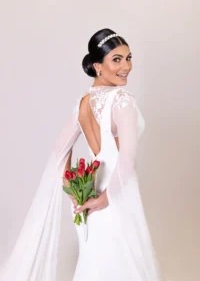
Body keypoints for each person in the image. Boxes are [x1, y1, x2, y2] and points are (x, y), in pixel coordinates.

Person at [0, 28, 166, 281]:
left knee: (96, 266)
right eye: (117, 59)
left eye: (129, 57)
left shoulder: (82, 103)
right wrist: (105, 199)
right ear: (98, 66)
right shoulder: (123, 101)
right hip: (114, 197)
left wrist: (77, 192)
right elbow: (127, 160)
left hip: (88, 200)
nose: (126, 66)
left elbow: (59, 152)